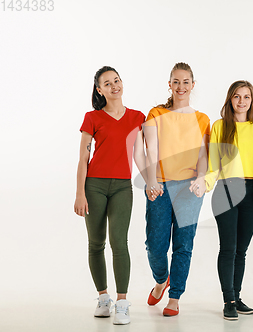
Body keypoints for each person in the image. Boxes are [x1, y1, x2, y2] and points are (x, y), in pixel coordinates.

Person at [74, 66, 147, 325]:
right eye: (107, 83)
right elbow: (83, 158)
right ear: (99, 90)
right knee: (96, 243)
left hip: (121, 188)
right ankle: (103, 298)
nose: (114, 85)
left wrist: (150, 181)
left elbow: (139, 155)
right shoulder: (92, 118)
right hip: (93, 186)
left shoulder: (137, 117)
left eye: (116, 80)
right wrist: (79, 193)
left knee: (119, 242)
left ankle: (123, 302)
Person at [143, 62, 210, 317]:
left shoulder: (203, 119)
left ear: (193, 85)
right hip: (159, 186)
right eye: (176, 81)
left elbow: (203, 155)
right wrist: (151, 181)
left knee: (183, 245)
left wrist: (201, 178)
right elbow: (151, 151)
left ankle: (174, 297)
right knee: (154, 245)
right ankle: (162, 279)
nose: (180, 86)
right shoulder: (155, 114)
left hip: (189, 189)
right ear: (169, 84)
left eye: (185, 82)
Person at [204, 80, 253, 320]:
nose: (241, 101)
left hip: (251, 191)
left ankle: (237, 296)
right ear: (230, 99)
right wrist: (206, 184)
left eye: (246, 97)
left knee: (242, 249)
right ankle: (228, 299)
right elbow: (213, 163)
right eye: (237, 96)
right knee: (228, 248)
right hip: (226, 190)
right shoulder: (220, 126)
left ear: (252, 101)